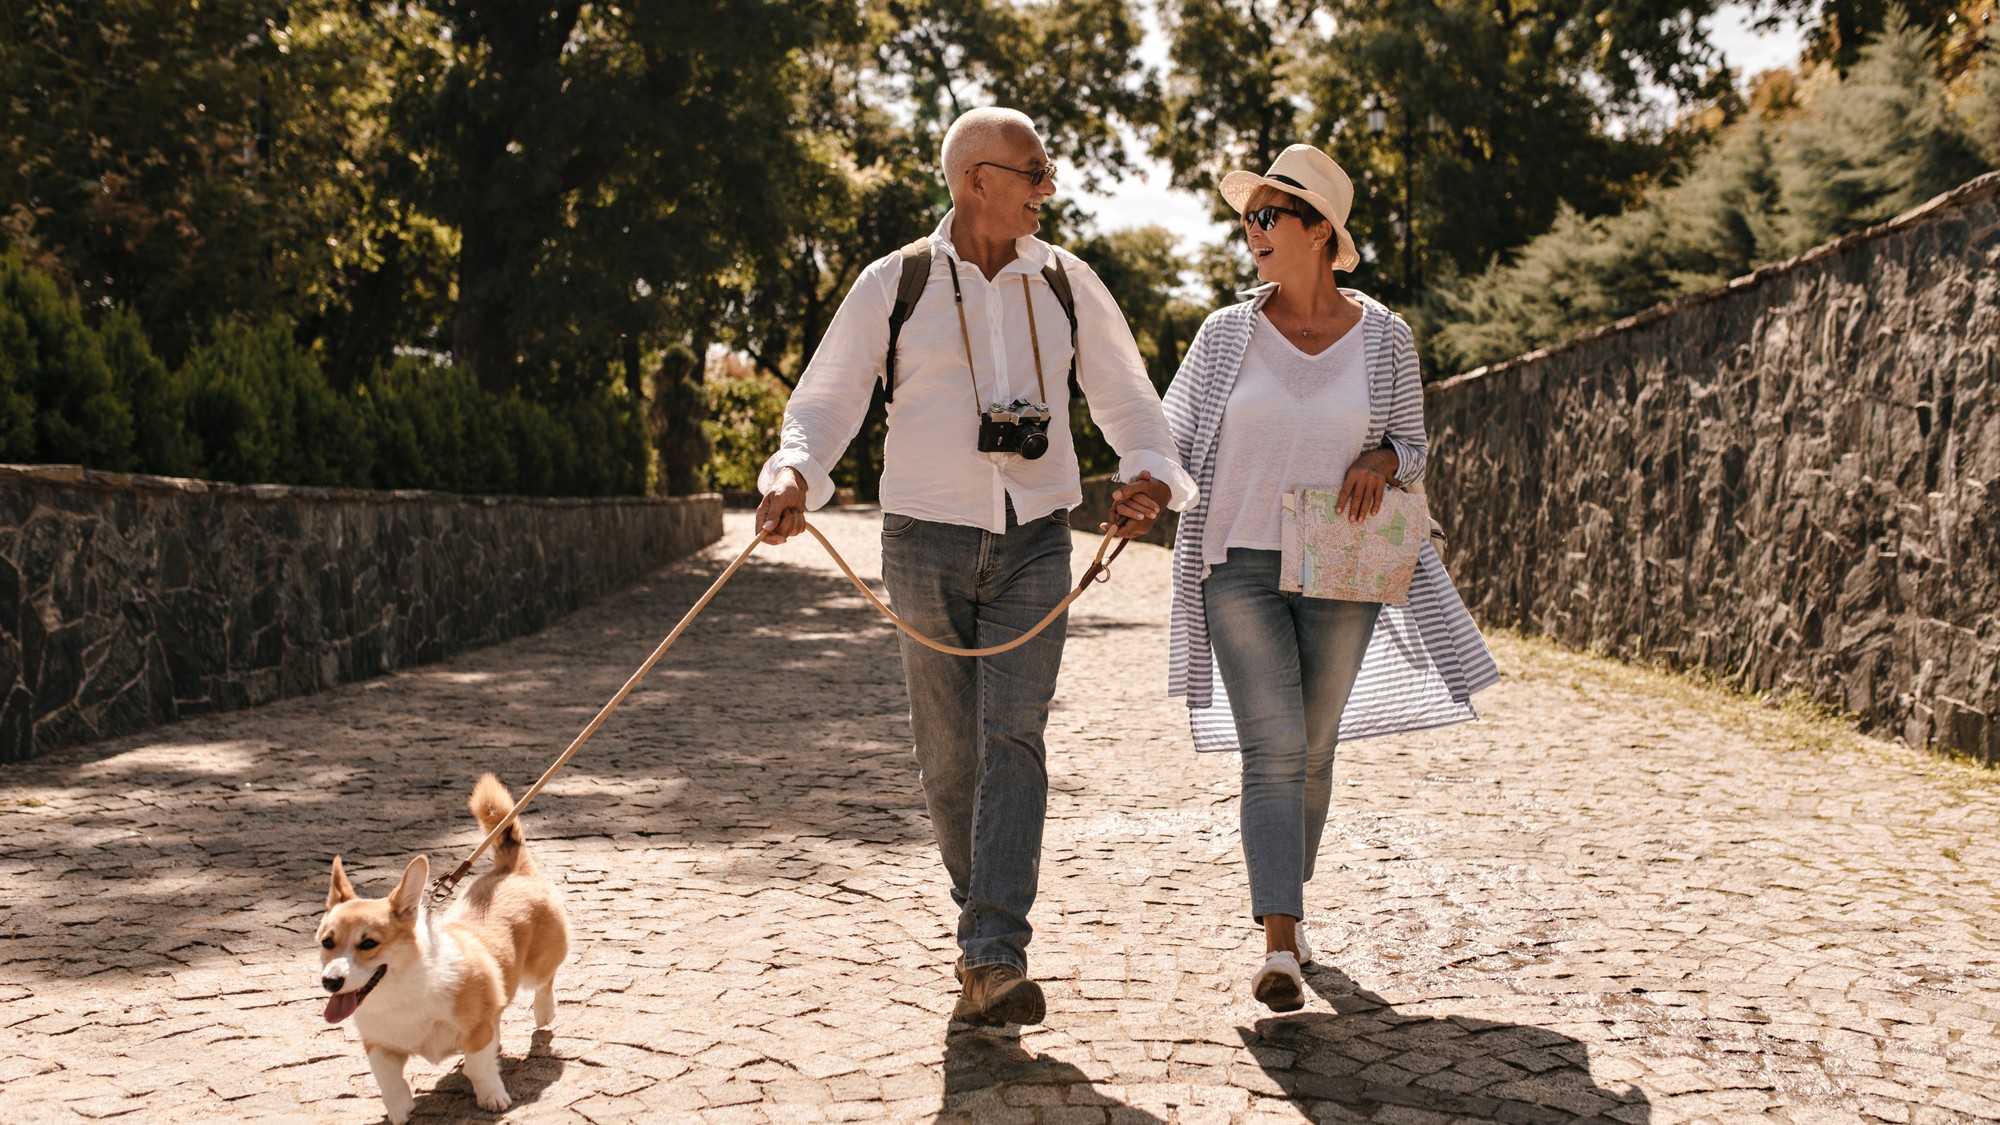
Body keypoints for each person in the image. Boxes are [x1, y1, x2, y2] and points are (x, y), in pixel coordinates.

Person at [755, 107, 1197, 1027]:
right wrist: (795, 470)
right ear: (976, 181)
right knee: (950, 757)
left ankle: (995, 950)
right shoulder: (899, 281)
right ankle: (981, 929)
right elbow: (828, 396)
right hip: (924, 538)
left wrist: (1148, 475)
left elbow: (1126, 395)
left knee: (1014, 738)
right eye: (1033, 171)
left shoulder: (1069, 282)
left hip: (1039, 533)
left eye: (1046, 169)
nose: (1048, 186)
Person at [1159, 144, 1499, 1013]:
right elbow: (1169, 430)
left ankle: (1289, 902)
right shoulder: (1224, 332)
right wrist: (1138, 488)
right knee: (1273, 750)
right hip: (1236, 560)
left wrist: (1385, 455)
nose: (1253, 230)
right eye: (1250, 216)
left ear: (1321, 231)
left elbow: (1416, 448)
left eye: (1270, 216)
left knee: (1311, 751)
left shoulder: (1386, 337)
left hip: (1342, 560)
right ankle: (1278, 944)